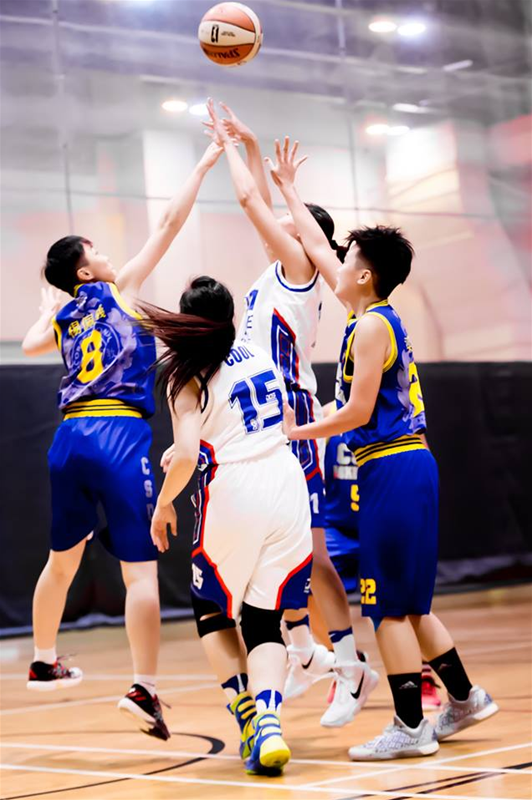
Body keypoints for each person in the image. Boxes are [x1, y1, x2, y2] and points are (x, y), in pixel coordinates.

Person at [271, 139, 498, 760]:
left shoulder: (371, 326)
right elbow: (319, 249)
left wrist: (297, 432)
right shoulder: (368, 313)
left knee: (388, 610)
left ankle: (409, 726)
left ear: (365, 276)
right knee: (413, 605)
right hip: (403, 467)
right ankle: (466, 698)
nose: (335, 262)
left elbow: (357, 412)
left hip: (393, 467)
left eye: (348, 260)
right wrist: (288, 188)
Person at [21, 141, 223, 741]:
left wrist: (51, 304)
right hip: (117, 431)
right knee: (139, 573)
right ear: (86, 272)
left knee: (61, 562)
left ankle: (43, 659)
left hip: (68, 437)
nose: (109, 255)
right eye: (97, 252)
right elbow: (169, 223)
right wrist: (203, 162)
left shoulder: (66, 315)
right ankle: (144, 688)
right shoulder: (120, 290)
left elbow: (31, 344)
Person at [205, 100, 378, 728]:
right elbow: (259, 204)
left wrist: (228, 145)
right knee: (281, 548)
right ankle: (305, 648)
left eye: (289, 221)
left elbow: (250, 201)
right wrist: (251, 144)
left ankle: (348, 662)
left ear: (304, 237)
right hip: (268, 421)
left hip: (293, 420)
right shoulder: (281, 269)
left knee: (314, 551)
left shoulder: (301, 267)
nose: (275, 224)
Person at [144, 276, 313, 776]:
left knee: (210, 606)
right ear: (231, 316)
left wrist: (164, 504)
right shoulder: (258, 353)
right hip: (286, 480)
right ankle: (270, 723)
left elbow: (188, 454)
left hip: (237, 490)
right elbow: (267, 418)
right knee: (263, 619)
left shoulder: (186, 374)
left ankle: (244, 712)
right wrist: (197, 443)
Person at [321, 405, 442, 711]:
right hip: (339, 526)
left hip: (381, 516)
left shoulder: (396, 416)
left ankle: (423, 673)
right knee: (306, 584)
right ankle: (348, 660)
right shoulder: (325, 417)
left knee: (400, 599)